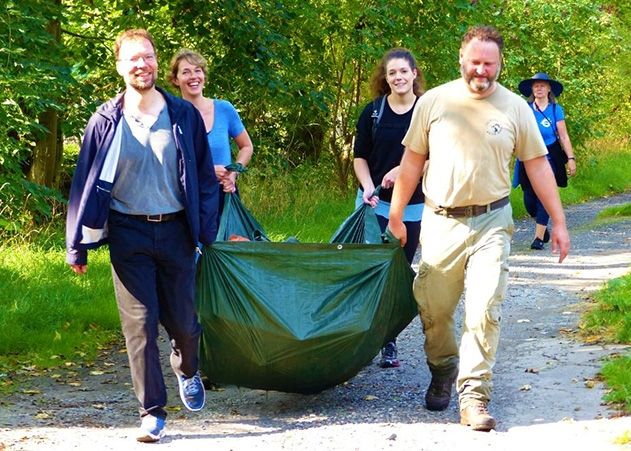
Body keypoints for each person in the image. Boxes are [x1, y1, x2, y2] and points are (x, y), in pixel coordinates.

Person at [388, 25, 570, 431]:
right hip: (440, 221)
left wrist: (558, 221)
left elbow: (538, 165)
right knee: (434, 310)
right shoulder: (434, 102)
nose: (482, 72)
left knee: (484, 308)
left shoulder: (515, 108)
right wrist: (397, 215)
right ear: (461, 59)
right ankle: (443, 366)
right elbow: (412, 162)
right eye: (475, 63)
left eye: (490, 64)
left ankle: (473, 394)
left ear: (500, 64)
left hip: (492, 220)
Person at [65, 29, 219, 443]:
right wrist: (76, 244)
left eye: (148, 57)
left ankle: (188, 368)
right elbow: (84, 183)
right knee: (140, 326)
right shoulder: (105, 120)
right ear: (119, 66)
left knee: (184, 324)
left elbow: (204, 176)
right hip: (128, 231)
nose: (142, 65)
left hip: (176, 231)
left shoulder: (181, 115)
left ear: (155, 61)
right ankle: (152, 411)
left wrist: (206, 229)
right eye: (133, 59)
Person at [353, 48, 425, 368]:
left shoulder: (426, 112)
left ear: (414, 75)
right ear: (386, 78)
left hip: (412, 208)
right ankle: (368, 338)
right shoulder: (372, 113)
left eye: (403, 72)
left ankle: (389, 338)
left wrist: (404, 171)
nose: (398, 77)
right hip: (374, 204)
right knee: (371, 274)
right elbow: (359, 157)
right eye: (392, 73)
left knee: (397, 274)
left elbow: (436, 155)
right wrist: (368, 185)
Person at [168, 49, 253, 218]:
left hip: (223, 195)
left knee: (226, 244)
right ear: (176, 80)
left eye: (197, 71)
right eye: (186, 72)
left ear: (204, 76)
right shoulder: (171, 114)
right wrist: (206, 171)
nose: (193, 76)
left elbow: (246, 146)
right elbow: (167, 162)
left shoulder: (224, 108)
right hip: (186, 198)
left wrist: (233, 174)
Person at [514, 72, 576, 250]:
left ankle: (538, 238)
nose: (539, 88)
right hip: (528, 156)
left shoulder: (556, 109)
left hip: (550, 156)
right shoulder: (525, 109)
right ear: (532, 90)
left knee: (544, 196)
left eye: (542, 85)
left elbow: (563, 136)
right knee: (529, 200)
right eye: (536, 86)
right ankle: (543, 228)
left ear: (549, 89)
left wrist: (571, 158)